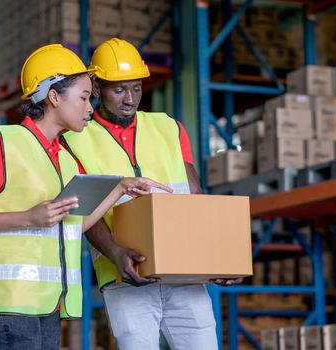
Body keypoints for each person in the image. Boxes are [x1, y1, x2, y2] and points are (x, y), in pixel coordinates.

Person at [0, 43, 172, 350]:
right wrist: (28, 217)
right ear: (53, 96)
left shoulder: (64, 159)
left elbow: (73, 227)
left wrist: (119, 188)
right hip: (8, 299)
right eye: (83, 97)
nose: (90, 109)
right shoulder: (8, 145)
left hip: (46, 302)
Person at [62, 38, 241, 350]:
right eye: (119, 89)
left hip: (185, 274)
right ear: (96, 85)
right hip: (125, 276)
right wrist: (116, 253)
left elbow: (195, 195)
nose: (130, 98)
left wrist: (218, 257)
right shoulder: (76, 139)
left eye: (137, 87)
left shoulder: (168, 127)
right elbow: (82, 211)